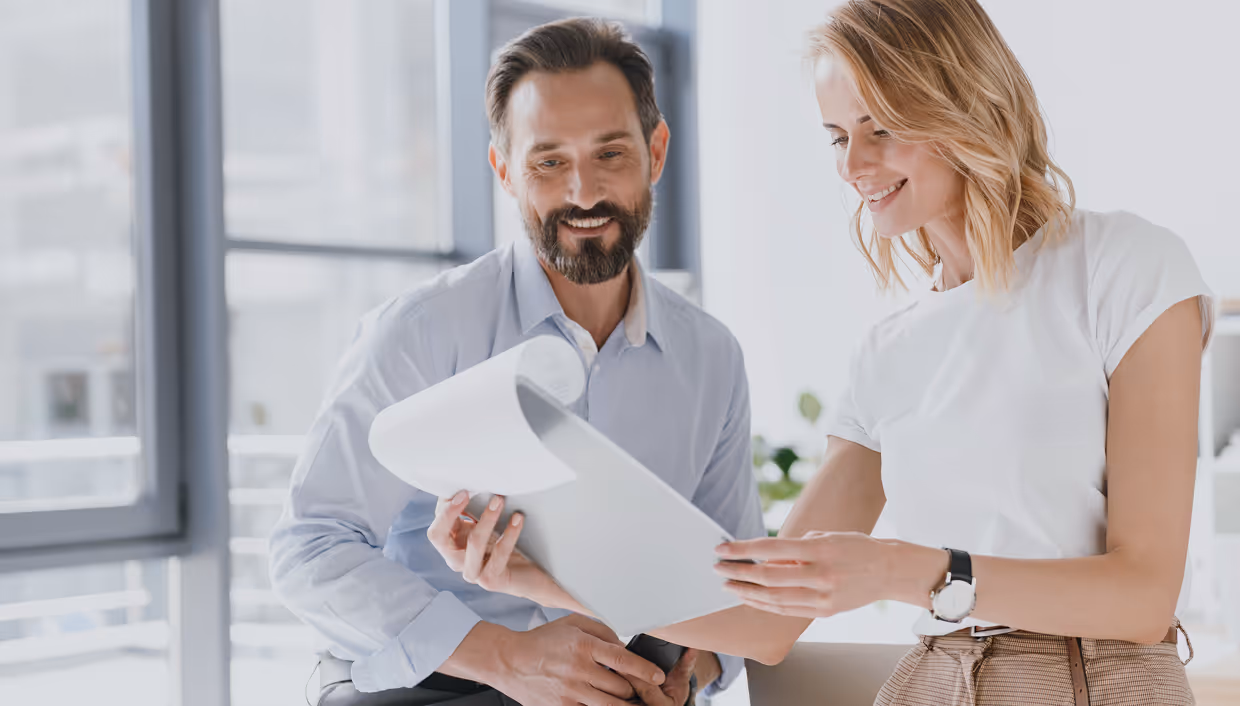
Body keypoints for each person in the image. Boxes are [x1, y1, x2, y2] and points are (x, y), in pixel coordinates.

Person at [432, 1, 1214, 704]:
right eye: (838, 138)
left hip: (1093, 682)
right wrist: (541, 576)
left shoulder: (1125, 267)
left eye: (881, 127)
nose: (852, 166)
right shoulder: (890, 352)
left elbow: (1143, 595)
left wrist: (905, 570)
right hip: (936, 687)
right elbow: (764, 615)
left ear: (965, 103)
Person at [267, 17, 764, 706]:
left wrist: (693, 672)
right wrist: (505, 658)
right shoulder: (422, 331)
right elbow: (311, 547)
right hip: (442, 680)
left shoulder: (710, 359)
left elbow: (737, 586)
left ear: (656, 151)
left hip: (621, 684)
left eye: (611, 154)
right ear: (504, 170)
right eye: (549, 161)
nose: (583, 193)